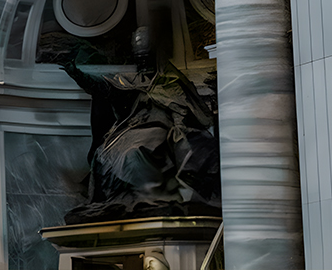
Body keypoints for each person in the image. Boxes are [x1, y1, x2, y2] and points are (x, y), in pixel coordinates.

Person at [56, 28, 220, 224]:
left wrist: (179, 125)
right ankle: (122, 200)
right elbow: (105, 87)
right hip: (133, 124)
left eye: (145, 53)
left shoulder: (170, 79)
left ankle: (148, 197)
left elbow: (186, 108)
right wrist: (77, 72)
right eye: (139, 55)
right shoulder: (128, 80)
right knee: (104, 153)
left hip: (163, 123)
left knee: (136, 152)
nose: (143, 61)